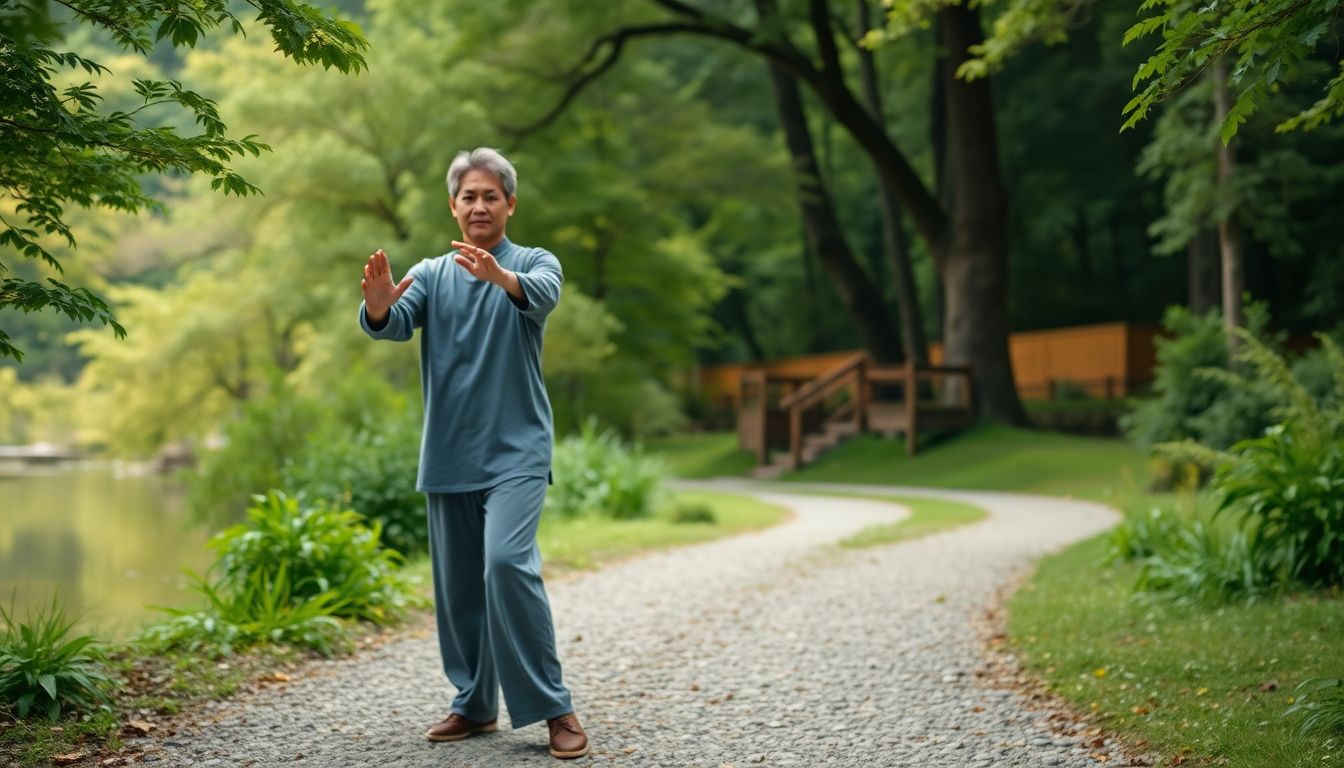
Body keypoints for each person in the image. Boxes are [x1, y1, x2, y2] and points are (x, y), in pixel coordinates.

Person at [358, 147, 588, 760]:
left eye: (491, 195)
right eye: (469, 196)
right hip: (449, 454)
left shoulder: (535, 262)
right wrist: (379, 303)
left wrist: (500, 278)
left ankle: (554, 707)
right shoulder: (431, 274)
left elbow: (540, 295)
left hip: (518, 451)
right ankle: (475, 703)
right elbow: (394, 321)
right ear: (453, 207)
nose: (479, 205)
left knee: (506, 566)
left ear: (510, 203)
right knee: (459, 587)